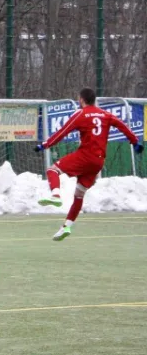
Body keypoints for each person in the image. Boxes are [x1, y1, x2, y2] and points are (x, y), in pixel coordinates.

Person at [35, 87, 143, 241]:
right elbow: (122, 126)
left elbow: (62, 132)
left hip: (85, 156)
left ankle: (56, 195)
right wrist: (134, 142)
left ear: (81, 100)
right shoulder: (105, 115)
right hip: (98, 162)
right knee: (79, 195)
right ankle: (67, 226)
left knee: (53, 170)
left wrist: (44, 145)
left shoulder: (81, 114)